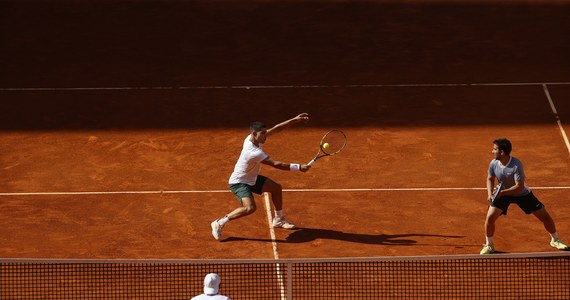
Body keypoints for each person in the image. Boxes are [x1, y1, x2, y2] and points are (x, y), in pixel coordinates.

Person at [211, 113, 311, 241]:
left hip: (251, 178)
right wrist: (298, 167)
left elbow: (276, 128)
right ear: (254, 134)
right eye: (263, 133)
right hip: (239, 182)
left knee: (276, 188)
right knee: (250, 208)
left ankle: (278, 220)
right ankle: (219, 222)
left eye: (265, 132)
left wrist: (294, 120)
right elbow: (276, 164)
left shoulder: (253, 137)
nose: (265, 136)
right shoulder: (253, 152)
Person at [480, 138, 569, 254]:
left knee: (545, 217)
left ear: (502, 152)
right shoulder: (493, 163)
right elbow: (490, 178)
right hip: (503, 192)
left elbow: (519, 187)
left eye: (495, 149)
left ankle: (555, 239)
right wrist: (489, 193)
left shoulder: (516, 165)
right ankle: (489, 245)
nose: (492, 151)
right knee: (490, 217)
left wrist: (501, 193)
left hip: (521, 194)